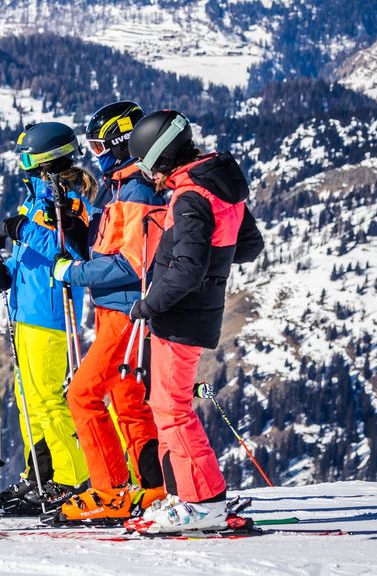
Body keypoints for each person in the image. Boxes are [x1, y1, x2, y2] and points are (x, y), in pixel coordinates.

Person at [125, 109, 264, 533]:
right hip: (197, 311)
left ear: (161, 157)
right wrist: (213, 261)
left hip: (179, 316)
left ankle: (202, 502)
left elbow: (186, 269)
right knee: (166, 404)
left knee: (172, 408)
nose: (148, 175)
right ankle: (188, 493)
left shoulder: (189, 197)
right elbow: (249, 245)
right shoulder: (218, 185)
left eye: (147, 164)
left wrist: (149, 304)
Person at [51, 101, 169, 523]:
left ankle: (109, 490)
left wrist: (74, 272)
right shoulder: (118, 185)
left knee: (81, 396)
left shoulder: (138, 188)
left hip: (125, 312)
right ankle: (153, 488)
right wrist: (75, 224)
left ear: (122, 139)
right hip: (113, 309)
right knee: (128, 401)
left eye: (101, 143)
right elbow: (106, 246)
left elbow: (133, 263)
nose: (96, 151)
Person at [0, 121, 91, 513]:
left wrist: (24, 230)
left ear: (46, 158)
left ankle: (72, 478)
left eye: (27, 156)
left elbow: (74, 248)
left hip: (50, 313)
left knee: (46, 399)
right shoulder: (37, 196)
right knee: (27, 398)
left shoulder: (71, 199)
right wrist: (6, 270)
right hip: (26, 311)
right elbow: (32, 257)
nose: (21, 163)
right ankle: (41, 474)